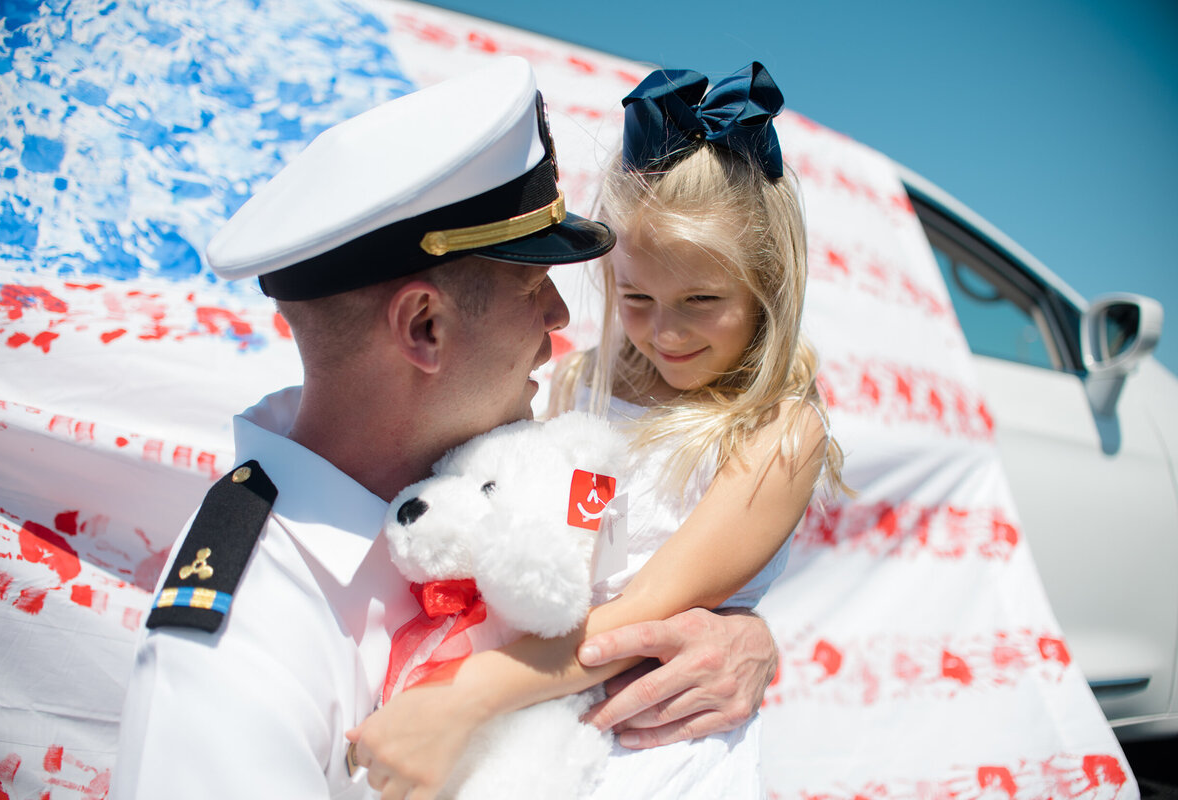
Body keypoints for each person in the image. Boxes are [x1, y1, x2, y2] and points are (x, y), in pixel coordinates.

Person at [110, 56, 779, 800]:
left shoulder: (499, 471)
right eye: (533, 287)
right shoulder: (239, 648)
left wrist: (733, 631)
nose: (562, 318)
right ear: (425, 326)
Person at [348, 62, 845, 799]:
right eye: (637, 296)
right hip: (528, 719)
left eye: (702, 299)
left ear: (767, 288)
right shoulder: (581, 382)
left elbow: (642, 615)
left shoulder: (779, 433)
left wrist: (461, 699)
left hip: (656, 748)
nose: (665, 331)